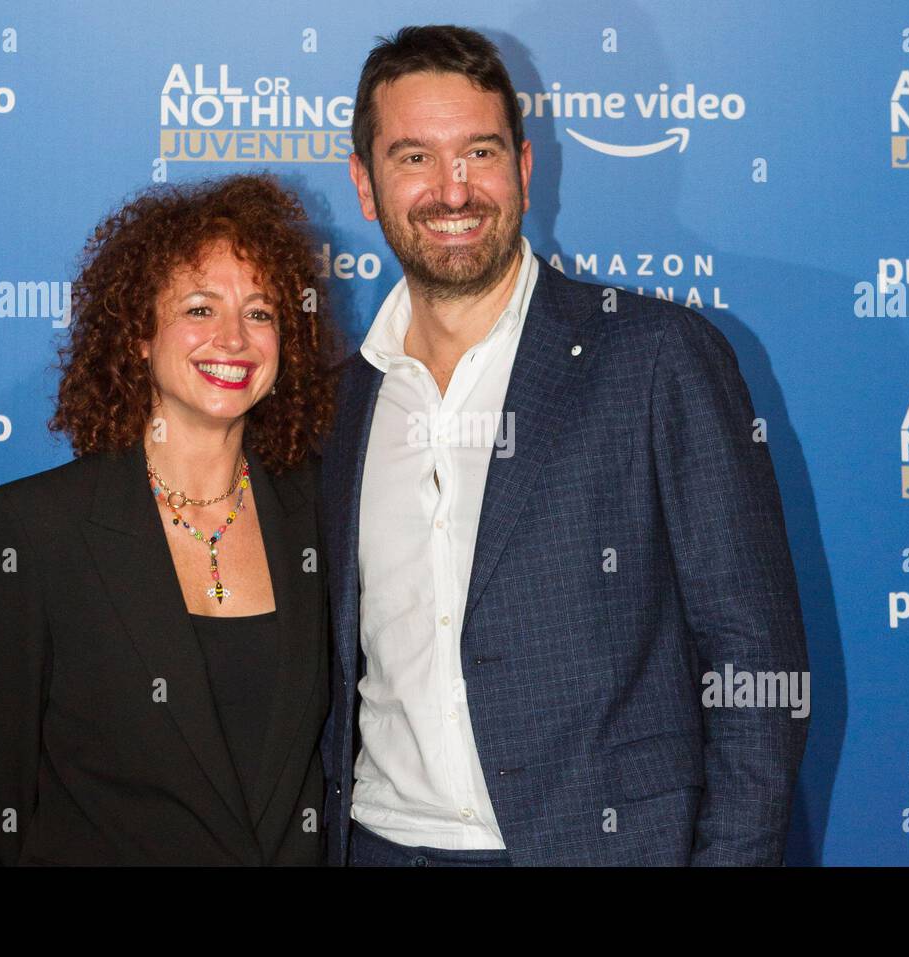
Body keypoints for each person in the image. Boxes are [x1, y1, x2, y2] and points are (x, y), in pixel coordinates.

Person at [319, 25, 810, 866]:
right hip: (379, 845)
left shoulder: (655, 356)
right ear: (365, 184)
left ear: (524, 166)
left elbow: (756, 665)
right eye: (413, 158)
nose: (453, 188)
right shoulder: (341, 399)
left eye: (479, 150)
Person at [0, 173, 339, 865]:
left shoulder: (321, 513)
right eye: (200, 308)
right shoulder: (37, 529)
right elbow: (1, 810)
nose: (234, 339)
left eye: (261, 313)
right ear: (138, 334)